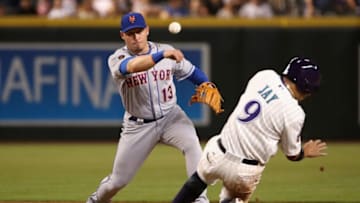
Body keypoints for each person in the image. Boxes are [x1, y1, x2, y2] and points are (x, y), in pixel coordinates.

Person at [86, 12, 213, 203]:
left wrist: (207, 84)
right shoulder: (117, 58)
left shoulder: (166, 50)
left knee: (192, 144)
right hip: (138, 125)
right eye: (130, 34)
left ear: (147, 30)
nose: (136, 37)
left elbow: (193, 72)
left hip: (171, 117)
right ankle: (97, 199)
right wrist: (162, 55)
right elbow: (134, 66)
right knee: (118, 181)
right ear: (123, 35)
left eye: (139, 31)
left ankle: (199, 199)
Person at [172, 56, 328, 203]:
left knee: (198, 180)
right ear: (307, 90)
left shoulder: (265, 76)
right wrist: (304, 152)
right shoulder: (295, 113)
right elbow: (292, 154)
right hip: (245, 171)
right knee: (231, 197)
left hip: (218, 151)